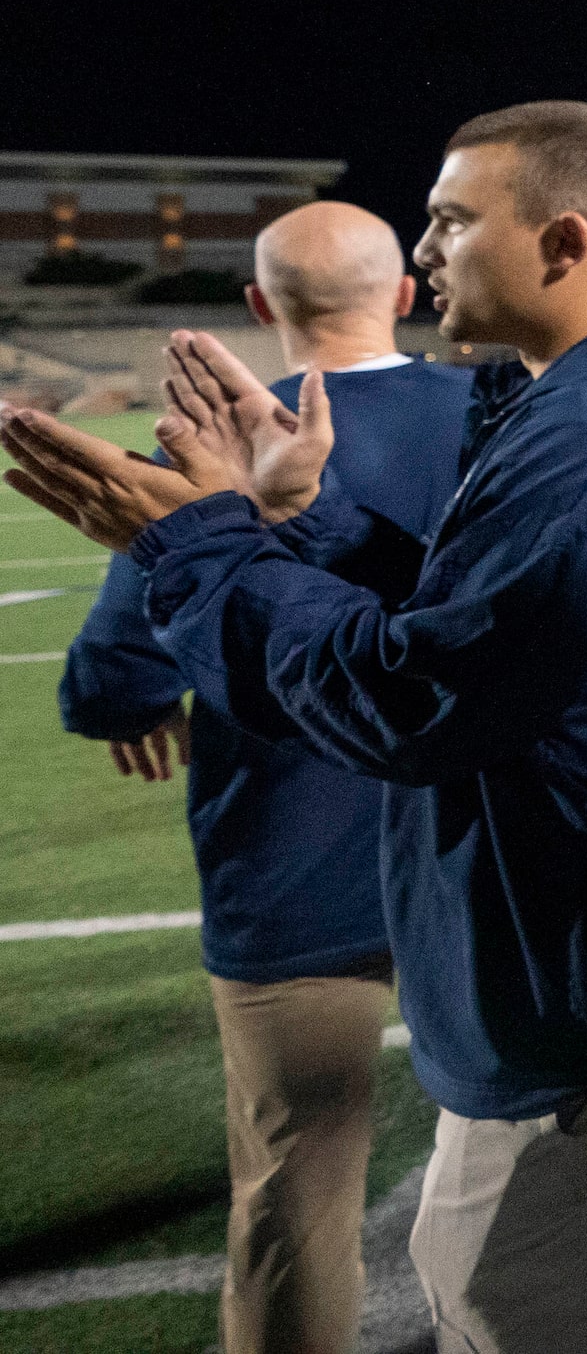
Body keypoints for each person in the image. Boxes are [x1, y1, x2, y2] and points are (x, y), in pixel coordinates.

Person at [1, 100, 587, 1354]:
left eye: (448, 219)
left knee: (498, 1288)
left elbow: (408, 699)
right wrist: (310, 515)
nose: (424, 251)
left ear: (561, 241)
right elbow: (479, 616)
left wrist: (195, 543)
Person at [57, 202, 474, 1354]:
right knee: (531, 1181)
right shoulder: (501, 416)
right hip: (476, 860)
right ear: (403, 293)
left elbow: (108, 682)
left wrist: (142, 700)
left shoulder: (206, 446)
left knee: (296, 1203)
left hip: (289, 866)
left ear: (258, 309)